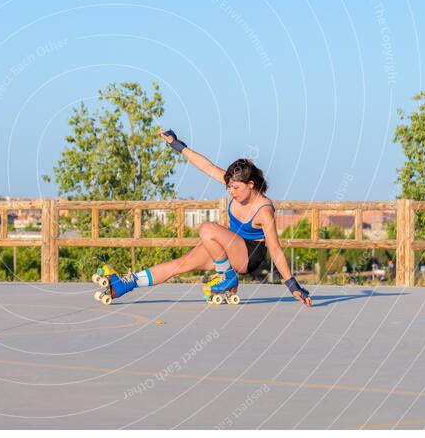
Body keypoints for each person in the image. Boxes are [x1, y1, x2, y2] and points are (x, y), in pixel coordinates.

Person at [97, 129, 312, 307]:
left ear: (251, 185)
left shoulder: (264, 210)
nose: (231, 192)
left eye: (236, 188)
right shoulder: (234, 185)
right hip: (226, 247)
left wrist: (292, 285)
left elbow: (275, 249)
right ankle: (125, 285)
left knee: (207, 229)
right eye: (229, 187)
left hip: (249, 255)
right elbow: (206, 166)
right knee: (180, 264)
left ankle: (226, 277)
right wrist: (178, 145)